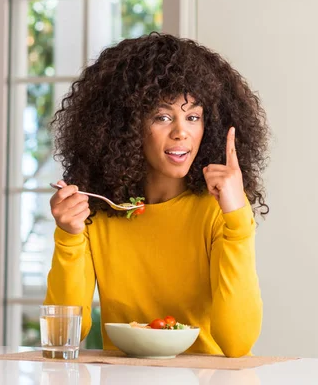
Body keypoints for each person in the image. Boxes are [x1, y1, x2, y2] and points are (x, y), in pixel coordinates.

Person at [44, 32, 269, 358]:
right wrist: (68, 237)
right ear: (125, 127)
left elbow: (237, 343)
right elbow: (65, 335)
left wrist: (237, 220)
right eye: (162, 117)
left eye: (193, 117)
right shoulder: (98, 212)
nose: (181, 132)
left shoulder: (217, 211)